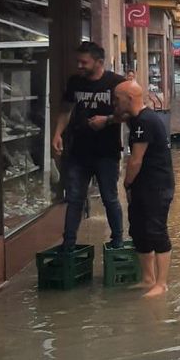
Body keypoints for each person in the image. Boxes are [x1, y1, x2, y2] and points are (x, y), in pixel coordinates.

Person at [53, 42, 125, 252]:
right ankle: (68, 245)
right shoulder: (75, 82)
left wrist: (108, 120)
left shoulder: (116, 83)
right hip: (78, 152)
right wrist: (57, 133)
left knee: (110, 197)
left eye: (84, 62)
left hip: (107, 152)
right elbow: (66, 110)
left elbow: (130, 112)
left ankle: (118, 241)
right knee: (74, 198)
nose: (80, 66)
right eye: (78, 62)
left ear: (99, 62)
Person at [114, 81, 175, 298]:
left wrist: (126, 183)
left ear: (129, 99)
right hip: (144, 185)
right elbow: (122, 116)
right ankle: (148, 278)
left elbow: (135, 161)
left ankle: (161, 283)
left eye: (117, 98)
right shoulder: (138, 119)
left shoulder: (145, 122)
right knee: (139, 231)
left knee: (156, 230)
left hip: (156, 185)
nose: (115, 103)